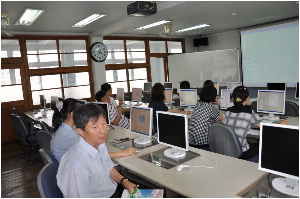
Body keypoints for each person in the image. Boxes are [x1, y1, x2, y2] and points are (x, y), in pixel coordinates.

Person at [57, 103, 138, 197]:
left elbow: (107, 167)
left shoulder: (98, 144)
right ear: (81, 131)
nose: (102, 131)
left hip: (112, 190)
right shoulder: (78, 166)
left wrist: (123, 181)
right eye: (95, 127)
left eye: (103, 124)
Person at [50, 98, 137, 163]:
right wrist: (122, 153)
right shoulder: (68, 136)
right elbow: (95, 155)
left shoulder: (62, 128)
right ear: (72, 114)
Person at [223, 86, 289, 160]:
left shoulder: (228, 111)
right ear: (247, 98)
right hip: (242, 152)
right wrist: (280, 124)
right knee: (262, 145)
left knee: (250, 142)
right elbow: (265, 128)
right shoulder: (250, 113)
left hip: (227, 149)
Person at [188, 86, 224, 150]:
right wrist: (215, 105)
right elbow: (221, 118)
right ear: (214, 97)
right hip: (201, 143)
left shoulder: (198, 103)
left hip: (190, 141)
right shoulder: (211, 107)